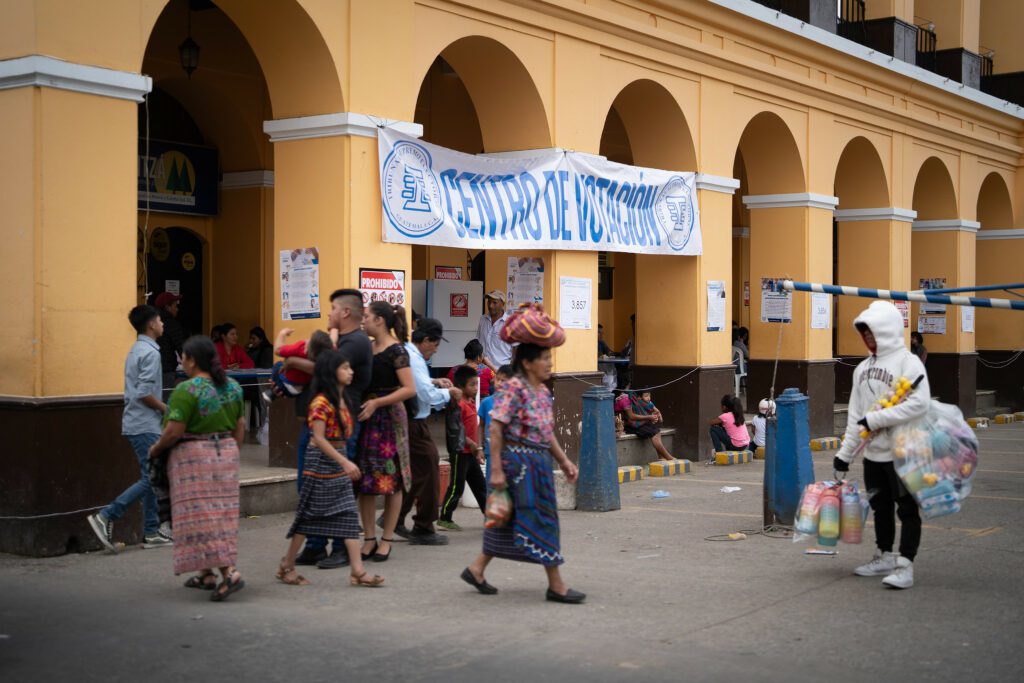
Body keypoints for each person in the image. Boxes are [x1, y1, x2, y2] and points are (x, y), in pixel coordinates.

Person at [461, 304, 585, 604]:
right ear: (528, 364)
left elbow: (546, 433)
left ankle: (476, 569)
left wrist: (565, 461)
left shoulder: (542, 391)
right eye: (545, 359)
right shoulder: (513, 388)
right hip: (518, 466)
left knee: (505, 521)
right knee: (543, 520)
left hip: (537, 464)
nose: (549, 364)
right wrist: (498, 471)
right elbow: (495, 430)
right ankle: (556, 585)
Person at [833, 301, 930, 590]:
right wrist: (844, 454)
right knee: (880, 507)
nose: (870, 338)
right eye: (865, 333)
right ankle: (885, 555)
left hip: (903, 451)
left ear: (887, 330)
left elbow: (920, 403)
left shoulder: (907, 362)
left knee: (908, 509)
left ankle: (906, 565)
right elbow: (855, 416)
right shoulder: (861, 368)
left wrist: (877, 418)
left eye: (874, 332)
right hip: (873, 455)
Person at [147, 336, 246, 601]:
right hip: (226, 454)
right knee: (219, 515)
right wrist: (229, 452)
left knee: (201, 516)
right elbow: (240, 428)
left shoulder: (187, 390)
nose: (182, 362)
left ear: (191, 360)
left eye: (184, 358)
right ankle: (206, 573)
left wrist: (156, 449)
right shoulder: (233, 387)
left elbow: (174, 431)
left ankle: (229, 571)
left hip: (193, 459)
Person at [276, 351, 384, 588]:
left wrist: (344, 460)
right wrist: (345, 462)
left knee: (347, 513)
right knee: (308, 516)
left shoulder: (343, 400)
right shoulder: (322, 402)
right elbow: (318, 438)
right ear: (331, 372)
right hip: (320, 463)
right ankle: (287, 565)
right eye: (345, 368)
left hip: (338, 460)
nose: (351, 371)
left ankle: (357, 570)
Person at [288, 289, 374, 570]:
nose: (329, 313)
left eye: (333, 308)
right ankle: (315, 545)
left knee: (339, 489)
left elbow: (326, 366)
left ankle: (339, 547)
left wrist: (288, 361)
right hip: (318, 420)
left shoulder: (357, 341)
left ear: (346, 312)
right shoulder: (343, 340)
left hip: (340, 427)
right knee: (310, 485)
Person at [87, 305, 172, 552]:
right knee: (152, 477)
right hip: (145, 423)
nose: (163, 324)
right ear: (151, 325)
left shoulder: (137, 349)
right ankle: (106, 516)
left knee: (151, 477)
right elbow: (144, 393)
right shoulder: (151, 353)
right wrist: (166, 410)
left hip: (138, 422)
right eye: (159, 320)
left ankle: (152, 531)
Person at [357, 301, 418, 564]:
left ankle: (387, 539)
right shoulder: (367, 348)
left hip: (390, 419)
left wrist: (377, 403)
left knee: (392, 482)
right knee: (366, 482)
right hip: (367, 418)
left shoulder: (397, 350)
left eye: (367, 316)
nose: (363, 321)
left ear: (380, 320)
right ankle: (369, 538)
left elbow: (409, 388)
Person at [395, 318, 457, 545]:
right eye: (436, 344)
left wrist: (434, 381)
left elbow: (421, 383)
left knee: (415, 472)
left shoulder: (413, 356)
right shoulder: (413, 357)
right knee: (429, 470)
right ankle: (423, 526)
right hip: (413, 422)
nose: (436, 349)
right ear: (427, 340)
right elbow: (425, 395)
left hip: (413, 421)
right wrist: (450, 394)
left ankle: (395, 517)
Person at [438, 365, 488, 531]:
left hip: (470, 453)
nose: (475, 388)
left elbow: (475, 429)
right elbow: (456, 430)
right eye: (472, 385)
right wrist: (472, 444)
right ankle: (445, 517)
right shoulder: (458, 405)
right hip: (460, 452)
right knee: (456, 486)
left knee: (480, 485)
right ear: (460, 387)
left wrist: (478, 447)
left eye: (476, 384)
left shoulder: (471, 403)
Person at [263, 329, 333, 402]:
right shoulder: (324, 358)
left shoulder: (300, 348)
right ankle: (271, 393)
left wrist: (282, 333)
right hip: (297, 391)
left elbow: (277, 350)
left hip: (284, 384)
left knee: (278, 365)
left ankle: (271, 393)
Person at [614, 391, 673, 461]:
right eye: (645, 396)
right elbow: (631, 416)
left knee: (655, 429)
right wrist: (649, 417)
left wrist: (653, 416)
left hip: (634, 422)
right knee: (653, 432)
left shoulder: (635, 398)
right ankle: (669, 457)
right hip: (626, 424)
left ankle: (661, 456)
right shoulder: (625, 400)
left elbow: (648, 410)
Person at [478, 365, 513, 476]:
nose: (499, 383)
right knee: (492, 486)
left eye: (504, 381)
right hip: (491, 452)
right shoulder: (486, 402)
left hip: (511, 453)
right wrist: (479, 448)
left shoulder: (516, 404)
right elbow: (481, 426)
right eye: (498, 379)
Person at [155, 292, 186, 394]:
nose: (177, 309)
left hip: (151, 370)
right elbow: (182, 348)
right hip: (166, 371)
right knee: (165, 402)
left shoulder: (151, 323)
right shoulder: (172, 324)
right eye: (175, 306)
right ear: (167, 307)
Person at [476, 290, 513, 372]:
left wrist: (509, 372)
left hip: (501, 372)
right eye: (489, 302)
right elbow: (478, 342)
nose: (490, 306)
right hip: (483, 371)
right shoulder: (483, 319)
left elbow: (516, 350)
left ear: (502, 304)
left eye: (494, 302)